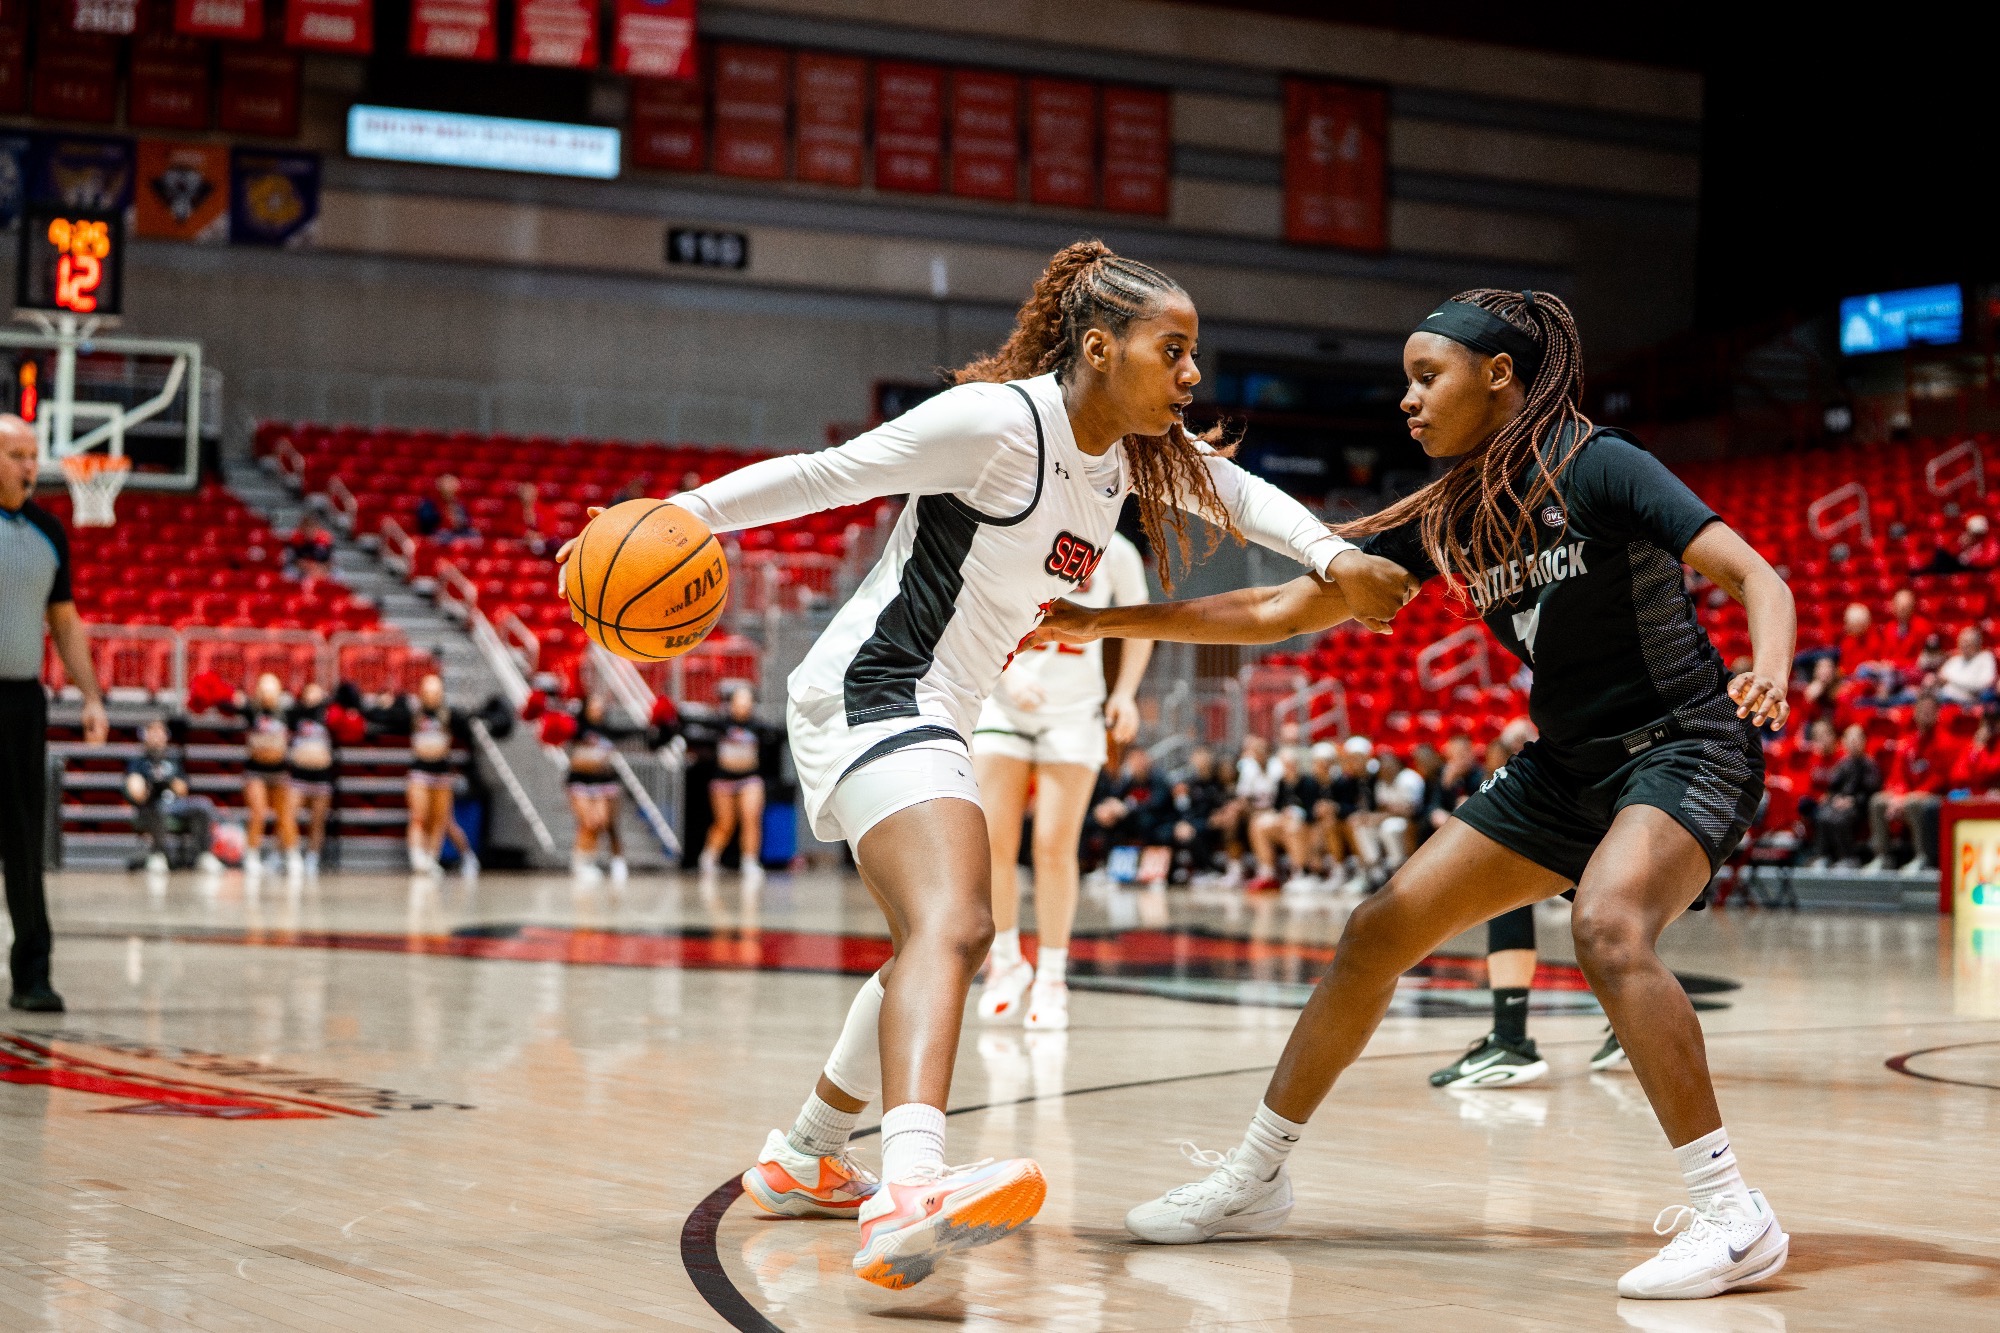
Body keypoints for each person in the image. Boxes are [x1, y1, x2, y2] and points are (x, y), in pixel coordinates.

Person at [568, 240, 1410, 1289]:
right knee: (959, 922)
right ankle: (910, 1186)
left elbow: (1239, 497)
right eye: (1174, 349)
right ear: (1098, 348)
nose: (1193, 373)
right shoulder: (996, 424)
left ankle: (806, 1155)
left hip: (934, 709)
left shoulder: (1127, 459)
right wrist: (676, 516)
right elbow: (825, 476)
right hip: (876, 689)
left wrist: (1333, 556)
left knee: (928, 944)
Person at [1035, 287, 1797, 1299]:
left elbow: (1757, 576)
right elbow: (1275, 609)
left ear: (1498, 375)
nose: (1406, 399)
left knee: (1608, 927)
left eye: (1426, 377)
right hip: (1565, 766)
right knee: (1376, 931)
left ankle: (1734, 1213)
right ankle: (1254, 1178)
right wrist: (1102, 624)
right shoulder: (1449, 513)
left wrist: (1768, 671)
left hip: (1684, 743)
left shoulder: (1597, 463)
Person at [973, 527, 1150, 1030]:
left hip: (1074, 711)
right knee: (992, 843)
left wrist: (1125, 693)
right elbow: (977, 610)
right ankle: (1005, 962)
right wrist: (1008, 675)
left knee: (1053, 846)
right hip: (1003, 702)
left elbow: (1140, 624)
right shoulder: (1017, 527)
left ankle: (1052, 977)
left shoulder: (1118, 552)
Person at [1, 416, 109, 1011]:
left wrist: (90, 696)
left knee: (24, 839)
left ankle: (33, 975)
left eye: (32, 454)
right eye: (16, 454)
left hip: (22, 702)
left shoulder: (48, 532)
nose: (30, 466)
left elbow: (64, 621)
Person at [367, 673, 507, 878]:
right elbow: (383, 717)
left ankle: (432, 858)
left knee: (440, 821)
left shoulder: (449, 714)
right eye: (429, 691)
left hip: (441, 773)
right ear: (422, 692)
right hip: (420, 772)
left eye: (436, 691)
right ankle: (417, 857)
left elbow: (469, 722)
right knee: (418, 816)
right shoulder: (413, 713)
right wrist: (384, 705)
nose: (432, 695)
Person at [687, 684, 783, 885]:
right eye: (739, 702)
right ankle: (709, 857)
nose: (742, 706)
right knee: (725, 823)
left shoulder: (758, 726)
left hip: (749, 778)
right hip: (723, 780)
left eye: (746, 702)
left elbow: (777, 735)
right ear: (731, 704)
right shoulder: (720, 724)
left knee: (751, 818)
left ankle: (749, 861)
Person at [1864, 693, 1953, 872]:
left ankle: (1923, 857)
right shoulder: (1908, 742)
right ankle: (1883, 856)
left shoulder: (1945, 742)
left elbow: (1939, 779)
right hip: (1910, 796)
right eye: (1922, 710)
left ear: (1938, 714)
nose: (1925, 714)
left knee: (1913, 803)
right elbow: (1898, 776)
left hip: (1938, 798)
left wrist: (1907, 798)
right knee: (1878, 801)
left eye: (1930, 710)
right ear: (1915, 713)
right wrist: (1898, 798)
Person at [124, 717, 221, 873]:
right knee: (155, 808)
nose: (157, 736)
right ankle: (158, 854)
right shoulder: (138, 761)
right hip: (152, 803)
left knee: (203, 805)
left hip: (175, 803)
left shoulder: (173, 759)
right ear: (145, 735)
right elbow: (134, 787)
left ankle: (203, 855)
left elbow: (183, 788)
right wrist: (143, 787)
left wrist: (170, 783)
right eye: (153, 732)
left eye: (160, 732)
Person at [562, 694, 639, 883]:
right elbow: (568, 744)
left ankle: (597, 860)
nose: (598, 708)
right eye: (594, 705)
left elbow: (627, 736)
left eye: (601, 705)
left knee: (601, 822)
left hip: (601, 782)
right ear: (586, 707)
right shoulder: (577, 728)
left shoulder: (607, 730)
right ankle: (581, 864)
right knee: (587, 822)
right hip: (580, 782)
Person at [231, 672, 301, 879]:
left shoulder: (287, 713)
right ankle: (252, 854)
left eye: (271, 690)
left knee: (285, 815)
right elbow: (230, 705)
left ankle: (291, 854)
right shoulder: (252, 710)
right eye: (263, 689)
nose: (267, 694)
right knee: (258, 812)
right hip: (256, 771)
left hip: (279, 772)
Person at [285, 683, 340, 876]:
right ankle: (291, 854)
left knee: (317, 821)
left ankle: (312, 857)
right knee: (288, 816)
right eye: (309, 692)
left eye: (317, 692)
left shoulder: (329, 714)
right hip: (299, 774)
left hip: (321, 776)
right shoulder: (296, 714)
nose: (313, 696)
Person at [1937, 626, 1996, 705]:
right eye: (1961, 642)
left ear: (1977, 644)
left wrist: (1951, 680)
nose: (1963, 645)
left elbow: (1983, 684)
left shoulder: (1985, 658)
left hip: (1970, 702)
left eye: (1967, 642)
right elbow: (1941, 677)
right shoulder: (1955, 660)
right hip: (1944, 698)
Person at [415, 474, 477, 542]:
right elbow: (426, 521)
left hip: (456, 533)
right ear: (440, 487)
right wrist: (442, 515)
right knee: (445, 537)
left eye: (452, 485)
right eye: (448, 485)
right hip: (438, 533)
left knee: (474, 535)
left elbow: (466, 521)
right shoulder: (429, 503)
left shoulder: (458, 504)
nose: (450, 488)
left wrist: (460, 522)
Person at [287, 511, 334, 582]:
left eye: (312, 527)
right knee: (290, 574)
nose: (309, 530)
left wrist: (321, 570)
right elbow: (294, 560)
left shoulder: (325, 539)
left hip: (320, 568)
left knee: (337, 575)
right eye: (307, 527)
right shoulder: (295, 539)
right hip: (301, 569)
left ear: (317, 527)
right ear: (301, 528)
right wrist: (311, 569)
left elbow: (329, 561)